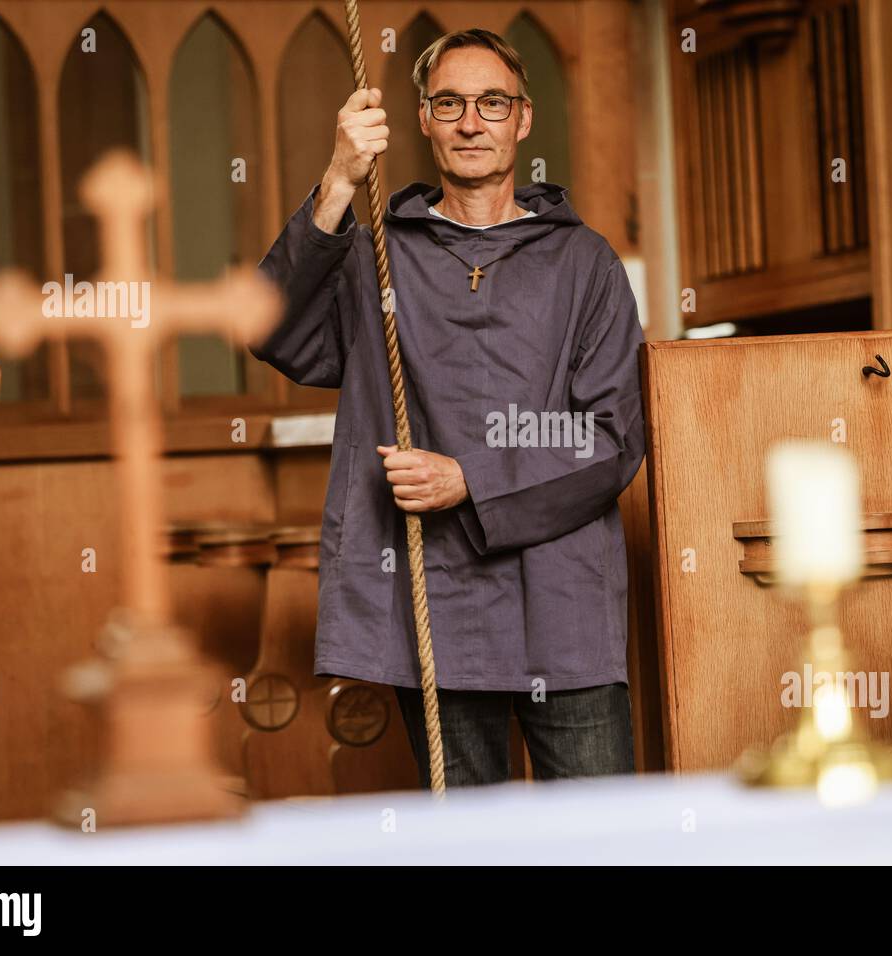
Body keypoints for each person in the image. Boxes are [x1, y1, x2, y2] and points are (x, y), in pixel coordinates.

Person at [251, 28, 645, 788]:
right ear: (423, 120)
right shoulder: (373, 258)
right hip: (433, 595)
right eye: (450, 103)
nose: (472, 122)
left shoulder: (585, 262)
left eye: (492, 103)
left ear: (523, 120)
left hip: (563, 602)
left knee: (602, 839)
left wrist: (470, 478)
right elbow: (270, 328)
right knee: (471, 845)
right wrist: (338, 177)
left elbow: (612, 436)